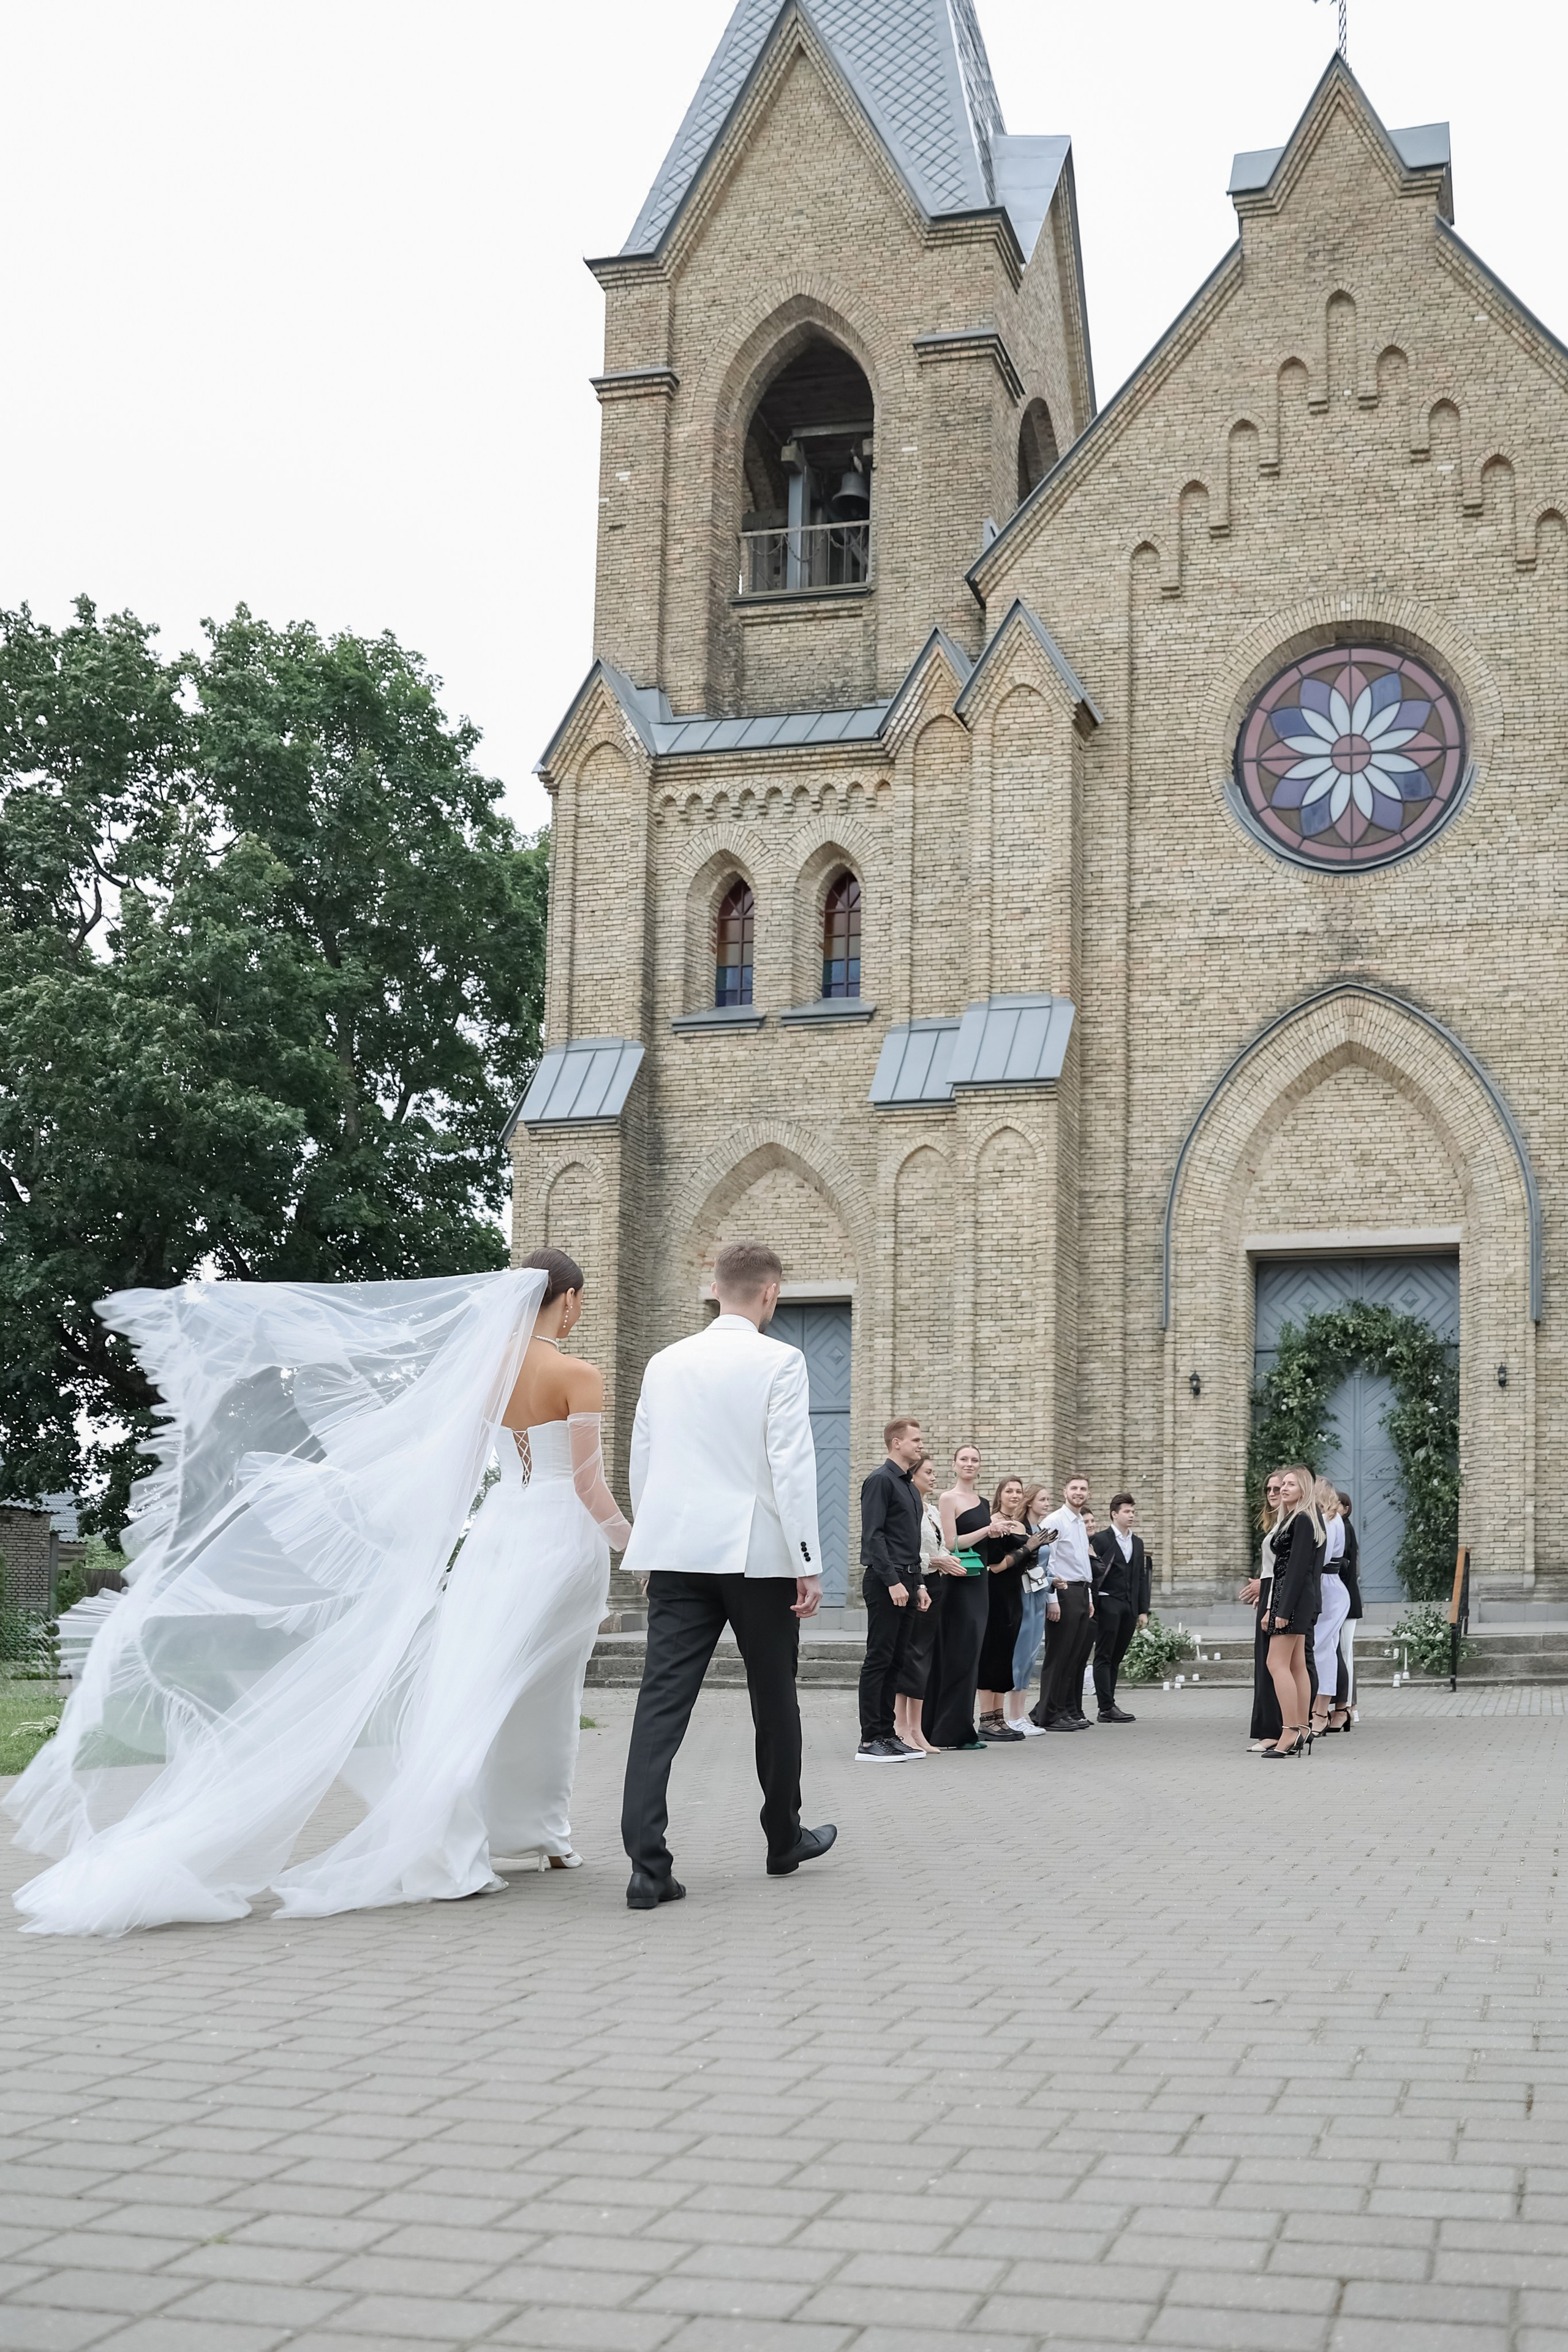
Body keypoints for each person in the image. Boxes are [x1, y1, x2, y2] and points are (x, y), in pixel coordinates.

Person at [8, 1258, 617, 1936]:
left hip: (498, 1539)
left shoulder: (485, 1374)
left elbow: (458, 1470)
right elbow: (588, 1489)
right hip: (559, 1542)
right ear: (567, 1301)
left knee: (473, 1691)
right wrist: (638, 1542)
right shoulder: (578, 1374)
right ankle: (525, 1834)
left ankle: (512, 1831)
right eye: (578, 1302)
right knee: (545, 1694)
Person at [618, 1239, 835, 1907]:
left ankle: (646, 1865)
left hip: (678, 1552)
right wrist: (808, 1562)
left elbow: (642, 1458)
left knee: (661, 1702)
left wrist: (648, 1548)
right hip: (756, 1556)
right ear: (769, 1294)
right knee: (774, 1698)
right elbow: (792, 1465)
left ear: (714, 1288)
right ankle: (782, 1838)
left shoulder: (664, 1363)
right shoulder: (781, 1361)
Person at [856, 1418, 930, 1763]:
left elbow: (910, 1542)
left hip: (909, 1580)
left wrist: (919, 1584)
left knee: (897, 1661)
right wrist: (893, 1582)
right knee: (879, 1659)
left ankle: (888, 1734)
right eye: (915, 1440)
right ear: (896, 1443)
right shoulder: (880, 1481)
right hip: (887, 1581)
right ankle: (871, 1739)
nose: (920, 1444)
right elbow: (874, 1536)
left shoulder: (909, 1487)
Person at [925, 1446, 1009, 1751]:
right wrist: (989, 1528)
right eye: (965, 1459)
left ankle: (962, 1729)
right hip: (958, 1584)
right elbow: (951, 1543)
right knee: (956, 1654)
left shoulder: (983, 1501)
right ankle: (945, 1731)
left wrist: (997, 1533)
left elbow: (984, 1545)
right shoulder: (948, 1499)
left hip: (980, 1584)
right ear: (955, 1465)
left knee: (972, 1654)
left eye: (975, 1460)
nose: (970, 1464)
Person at [895, 1456, 956, 1755]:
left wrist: (948, 1559)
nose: (934, 1478)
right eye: (929, 1473)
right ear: (913, 1475)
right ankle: (900, 1727)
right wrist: (936, 1560)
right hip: (915, 1584)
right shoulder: (909, 1509)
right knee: (910, 1656)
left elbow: (939, 1545)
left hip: (935, 1585)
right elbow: (907, 1552)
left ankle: (917, 1729)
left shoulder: (931, 1510)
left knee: (924, 1659)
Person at [1261, 1464, 1323, 1757]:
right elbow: (1283, 1569)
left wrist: (1282, 1609)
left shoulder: (1303, 1520)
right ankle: (1301, 1726)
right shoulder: (1295, 1519)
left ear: (1304, 1491)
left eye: (1291, 1485)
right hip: (1292, 1597)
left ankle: (1289, 1732)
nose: (1283, 1489)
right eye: (1282, 1484)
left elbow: (1297, 1570)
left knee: (1276, 1664)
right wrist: (1272, 1608)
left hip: (1294, 1598)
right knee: (1296, 1664)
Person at [1031, 1476, 1096, 1731]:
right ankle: (1048, 1714)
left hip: (1080, 1591)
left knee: (1073, 1657)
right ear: (1065, 1492)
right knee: (1058, 1656)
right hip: (1063, 1591)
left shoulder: (1080, 1521)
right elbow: (1050, 1562)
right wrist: (1052, 1599)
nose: (1079, 1493)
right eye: (1074, 1489)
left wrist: (1088, 1597)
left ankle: (1063, 1709)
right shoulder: (1056, 1521)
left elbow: (1082, 1562)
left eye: (1083, 1489)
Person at [975, 1477, 1029, 1743]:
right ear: (1000, 1494)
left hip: (1014, 1595)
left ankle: (999, 1716)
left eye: (1019, 1491)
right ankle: (986, 1718)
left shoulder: (1021, 1525)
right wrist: (1027, 1548)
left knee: (1006, 1654)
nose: (1015, 1495)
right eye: (1009, 1491)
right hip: (994, 1594)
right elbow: (995, 1565)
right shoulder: (993, 1522)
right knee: (991, 1654)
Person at [1090, 1492, 1150, 1724]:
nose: (1131, 1515)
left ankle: (1110, 1703)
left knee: (1117, 1656)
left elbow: (1141, 1579)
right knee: (1104, 1655)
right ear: (1114, 1514)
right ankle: (1106, 1707)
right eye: (1127, 1511)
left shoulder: (1137, 1542)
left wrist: (1142, 1610)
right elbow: (1094, 1573)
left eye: (1133, 1511)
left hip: (1129, 1606)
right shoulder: (1101, 1539)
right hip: (1107, 1603)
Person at [1005, 1482, 1055, 1733]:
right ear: (1030, 1501)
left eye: (1048, 1500)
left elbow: (1045, 1564)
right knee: (1020, 1654)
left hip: (1039, 1593)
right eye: (1042, 1500)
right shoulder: (1021, 1528)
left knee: (1031, 1655)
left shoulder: (1041, 1529)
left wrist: (1053, 1581)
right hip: (1023, 1594)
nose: (1047, 1504)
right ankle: (1012, 1716)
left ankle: (1020, 1715)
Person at [1241, 1471, 1285, 1752]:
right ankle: (1277, 1728)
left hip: (1278, 1597)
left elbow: (1285, 1567)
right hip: (1271, 1592)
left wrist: (1268, 1594)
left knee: (1274, 1665)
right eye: (1268, 1489)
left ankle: (1276, 1731)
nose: (1272, 1493)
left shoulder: (1292, 1524)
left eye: (1279, 1488)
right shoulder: (1277, 1524)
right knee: (1268, 1664)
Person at [1309, 1479, 1349, 1739]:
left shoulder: (1328, 1519)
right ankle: (1319, 1710)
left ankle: (1320, 1712)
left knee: (1321, 1650)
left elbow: (1322, 1558)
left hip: (1326, 1587)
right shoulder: (1332, 1518)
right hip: (1329, 1587)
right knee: (1325, 1650)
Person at [1326, 1490, 1362, 1732]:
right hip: (1340, 1599)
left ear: (1346, 1508)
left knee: (1344, 1654)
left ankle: (1346, 1707)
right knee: (1339, 1653)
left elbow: (1346, 1567)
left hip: (1344, 1600)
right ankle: (1345, 1706)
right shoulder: (1338, 1526)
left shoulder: (1344, 1527)